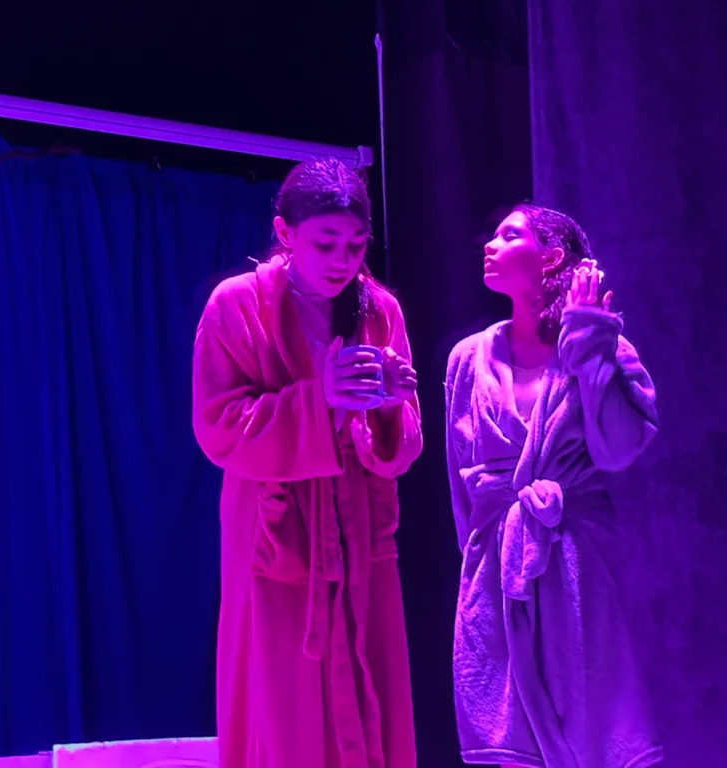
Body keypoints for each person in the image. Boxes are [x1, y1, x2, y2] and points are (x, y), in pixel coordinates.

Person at [192, 158, 422, 768]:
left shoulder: (379, 310)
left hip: (360, 533)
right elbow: (219, 426)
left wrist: (389, 406)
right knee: (281, 703)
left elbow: (399, 447)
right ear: (285, 232)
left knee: (373, 684)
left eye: (356, 244)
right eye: (325, 242)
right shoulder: (237, 306)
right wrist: (319, 399)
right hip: (275, 536)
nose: (342, 259)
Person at [444, 204, 663, 768]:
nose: (490, 245)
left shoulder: (601, 343)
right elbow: (460, 483)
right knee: (507, 733)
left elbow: (618, 449)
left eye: (509, 235)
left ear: (551, 256)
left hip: (578, 563)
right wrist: (477, 561)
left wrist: (589, 344)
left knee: (594, 720)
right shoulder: (467, 359)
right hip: (495, 566)